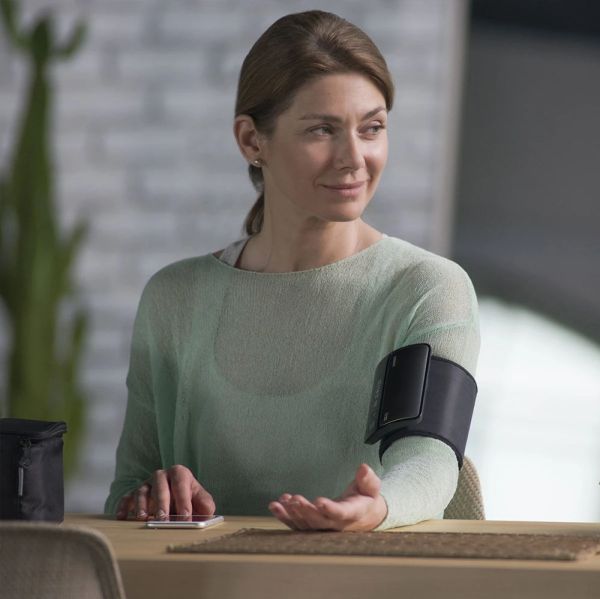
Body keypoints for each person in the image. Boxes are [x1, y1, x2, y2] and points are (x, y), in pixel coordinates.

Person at [104, 10, 480, 531]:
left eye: (372, 129)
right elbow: (125, 491)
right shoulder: (174, 298)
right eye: (323, 130)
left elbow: (430, 462)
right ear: (251, 140)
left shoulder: (425, 289)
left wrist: (376, 508)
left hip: (365, 570)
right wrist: (154, 493)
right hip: (206, 573)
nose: (354, 158)